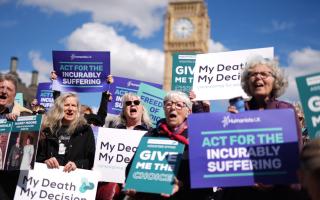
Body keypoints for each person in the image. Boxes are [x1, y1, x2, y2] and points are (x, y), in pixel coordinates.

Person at [224, 56, 304, 200]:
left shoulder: (285, 110)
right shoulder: (238, 109)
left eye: (264, 74)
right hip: (242, 190)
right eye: (253, 74)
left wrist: (273, 180)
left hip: (279, 190)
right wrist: (227, 123)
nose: (258, 77)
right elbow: (226, 150)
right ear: (247, 82)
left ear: (276, 81)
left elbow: (295, 152)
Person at [124, 91, 212, 199]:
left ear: (188, 112)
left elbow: (205, 178)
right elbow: (131, 170)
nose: (173, 108)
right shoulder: (151, 135)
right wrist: (135, 188)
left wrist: (182, 185)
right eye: (168, 104)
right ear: (164, 109)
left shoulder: (198, 137)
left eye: (179, 105)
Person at [96, 93, 152, 200]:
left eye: (136, 102)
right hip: (112, 185)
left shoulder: (151, 133)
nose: (132, 105)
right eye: (128, 103)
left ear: (142, 108)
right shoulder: (113, 131)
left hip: (136, 188)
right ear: (124, 110)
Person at [36, 93, 95, 172]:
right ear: (59, 107)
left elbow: (91, 160)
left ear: (77, 109)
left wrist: (76, 165)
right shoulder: (48, 130)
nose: (70, 108)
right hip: (50, 179)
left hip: (74, 180)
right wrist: (46, 161)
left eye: (73, 105)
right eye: (66, 105)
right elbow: (38, 157)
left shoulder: (85, 130)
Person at [0, 73, 32, 200]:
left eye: (9, 89)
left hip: (9, 183)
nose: (3, 91)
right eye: (1, 87)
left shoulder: (25, 115)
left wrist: (19, 125)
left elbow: (37, 141)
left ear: (14, 94)